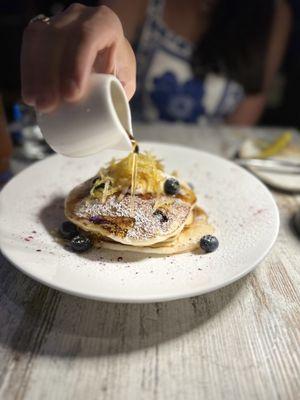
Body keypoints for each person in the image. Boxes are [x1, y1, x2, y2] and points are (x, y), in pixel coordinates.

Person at [21, 0, 292, 125]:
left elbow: (241, 126)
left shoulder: (274, 14)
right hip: (122, 147)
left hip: (213, 167)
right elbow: (102, 51)